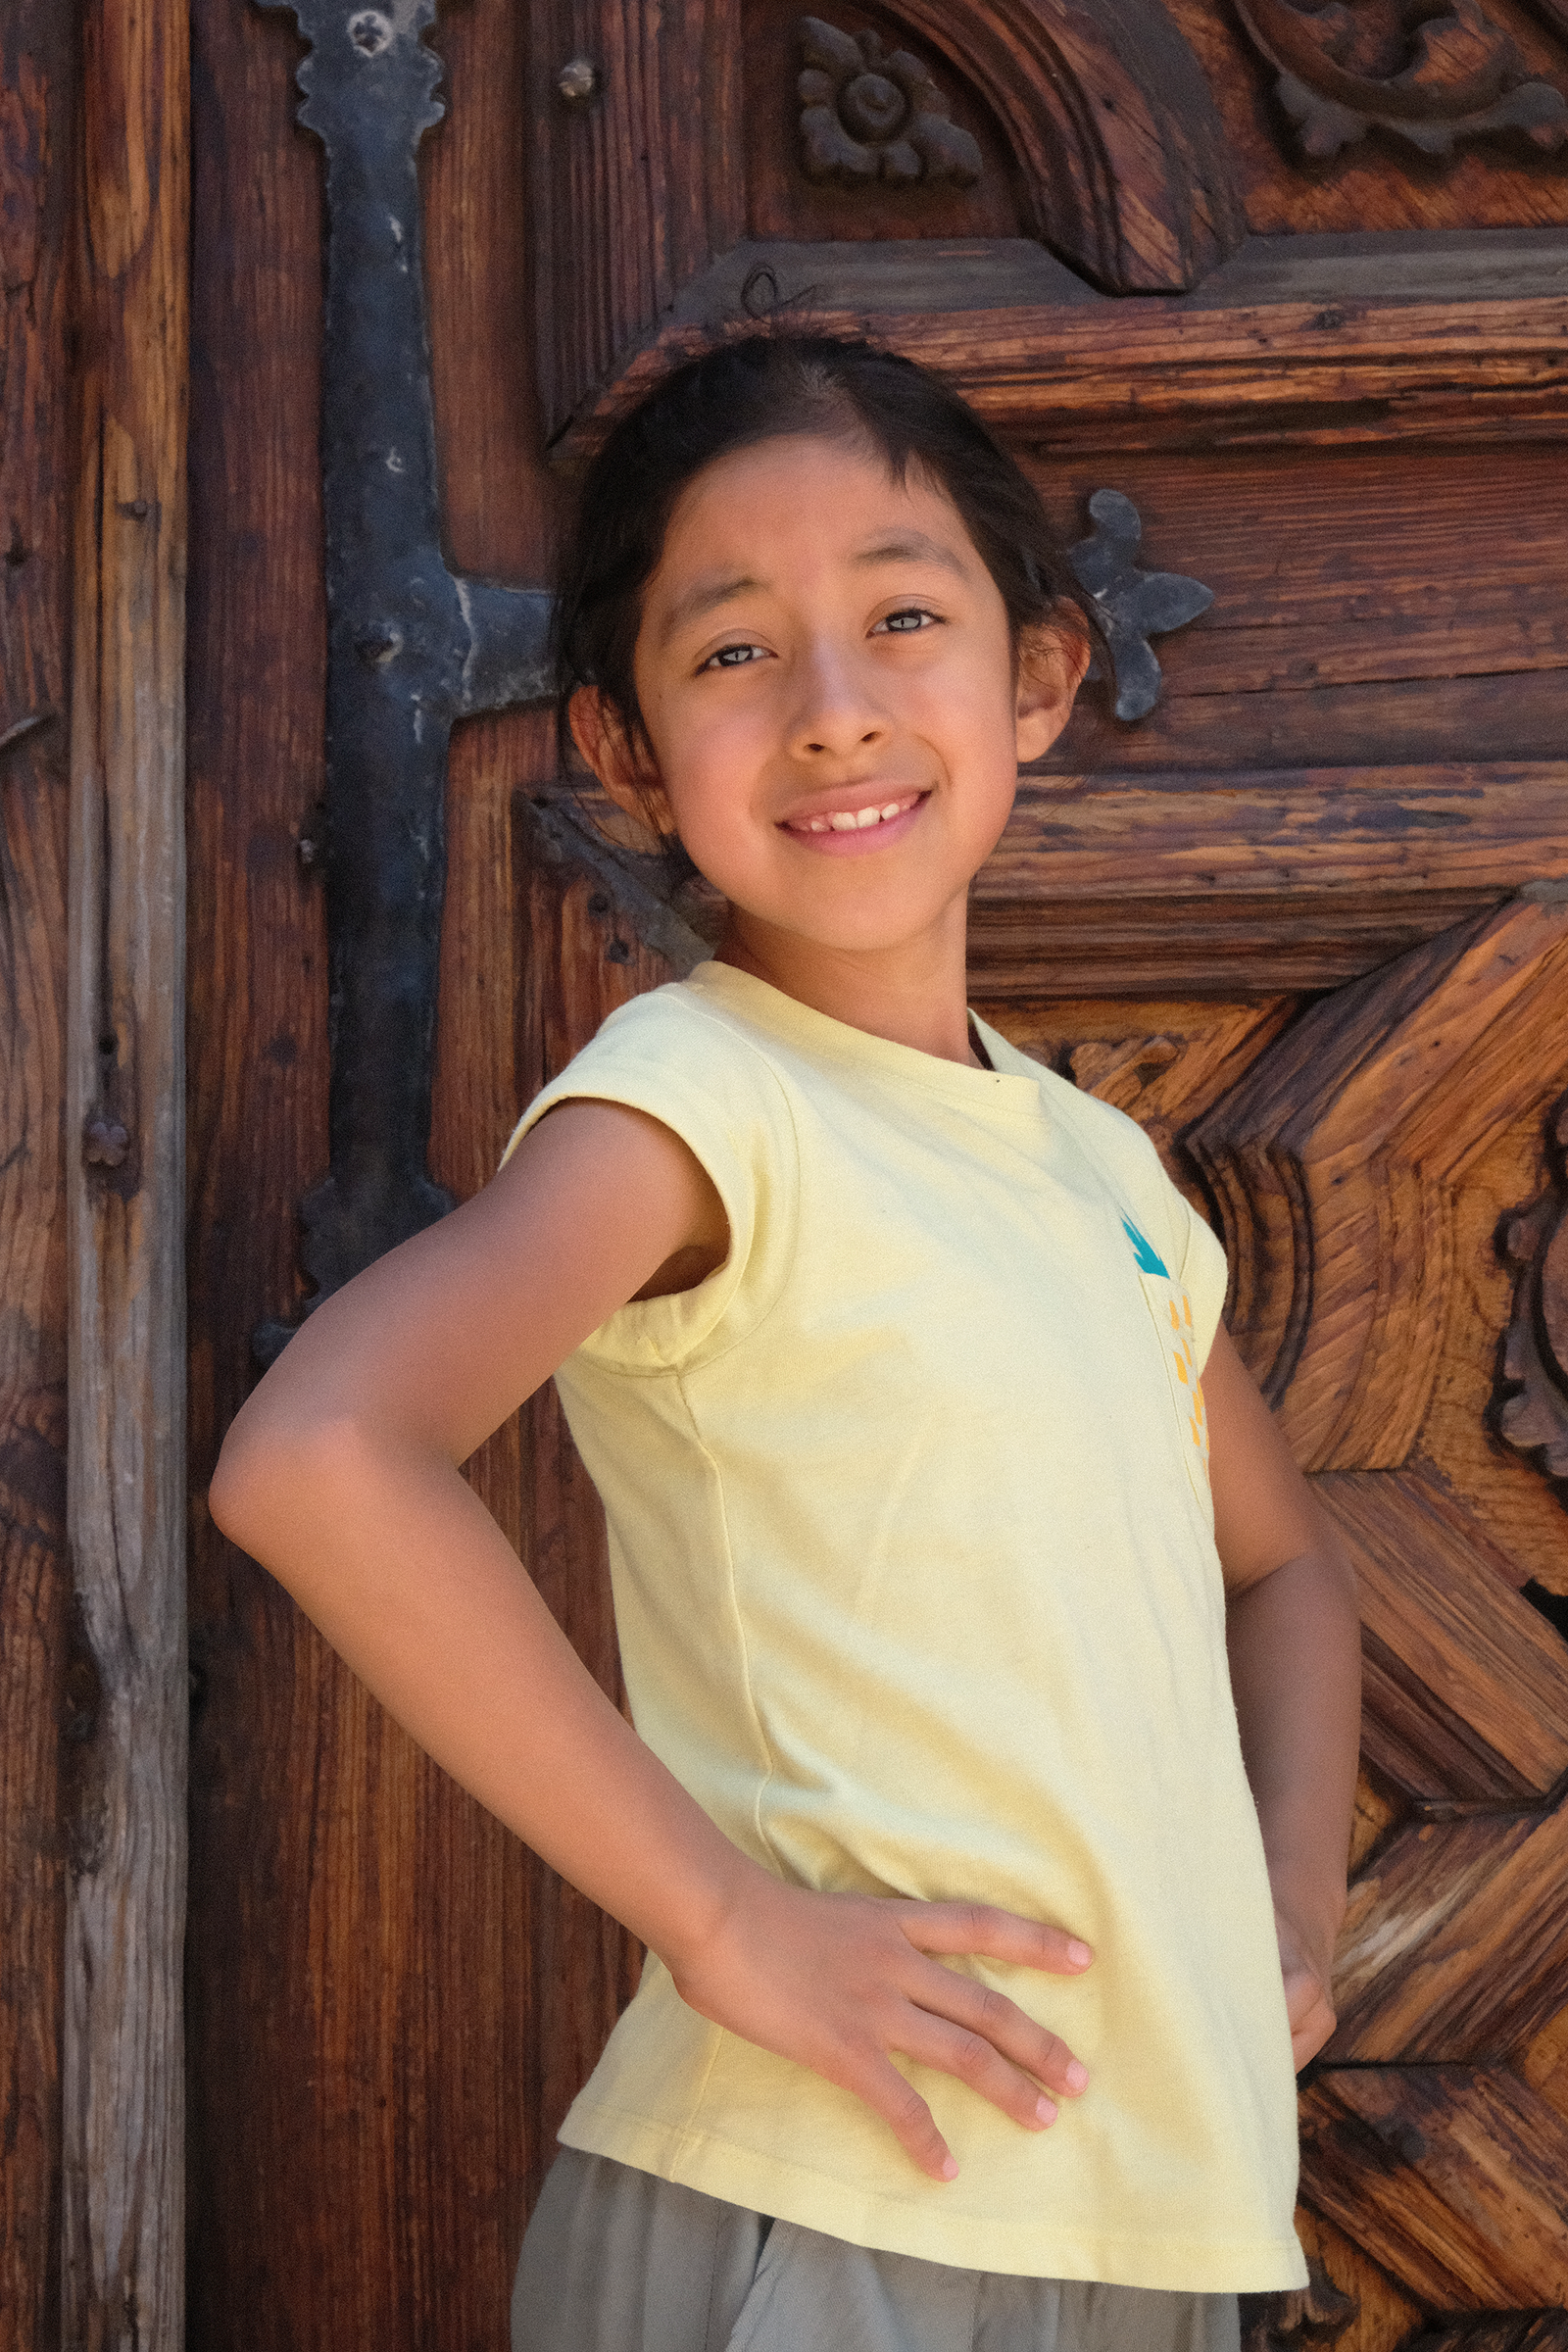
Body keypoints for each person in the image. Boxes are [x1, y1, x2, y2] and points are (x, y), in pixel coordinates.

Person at [210, 333, 1362, 2352]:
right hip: (830, 2198)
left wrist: (1281, 1911)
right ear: (628, 752)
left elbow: (1282, 1569)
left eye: (903, 618)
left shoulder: (1096, 1166)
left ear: (1037, 676)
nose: (834, 709)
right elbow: (318, 1459)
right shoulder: (696, 1102)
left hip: (1150, 2216)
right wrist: (727, 1921)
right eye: (735, 651)